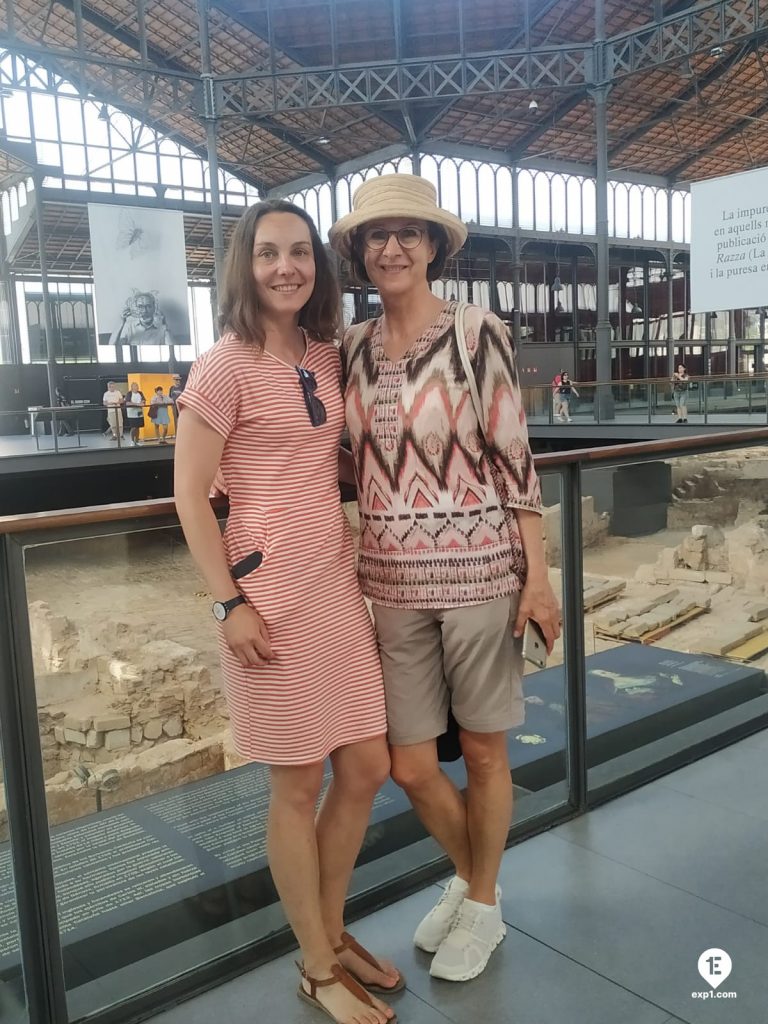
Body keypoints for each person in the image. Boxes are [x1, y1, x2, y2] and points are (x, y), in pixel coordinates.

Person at [329, 175, 561, 983]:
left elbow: (516, 459)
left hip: (479, 574)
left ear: (431, 245)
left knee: (488, 755)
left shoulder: (474, 331)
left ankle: (483, 899)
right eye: (375, 235)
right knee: (413, 766)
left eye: (407, 233)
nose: (391, 247)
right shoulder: (350, 349)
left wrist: (539, 578)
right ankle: (474, 880)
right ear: (359, 252)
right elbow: (339, 458)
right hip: (389, 585)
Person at [174, 199, 400, 1024]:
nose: (285, 267)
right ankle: (314, 962)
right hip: (265, 595)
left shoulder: (324, 355)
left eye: (299, 253)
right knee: (297, 783)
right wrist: (227, 602)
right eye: (268, 253)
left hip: (334, 584)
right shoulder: (222, 365)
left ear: (317, 266)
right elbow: (191, 497)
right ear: (245, 264)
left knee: (368, 766)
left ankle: (330, 931)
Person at [125, 382, 146, 446]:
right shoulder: (129, 393)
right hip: (131, 413)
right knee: (133, 427)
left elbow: (143, 400)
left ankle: (137, 441)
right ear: (132, 387)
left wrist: (142, 402)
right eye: (135, 386)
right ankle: (132, 441)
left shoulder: (140, 393)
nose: (136, 387)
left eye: (137, 386)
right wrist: (137, 404)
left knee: (138, 427)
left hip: (139, 413)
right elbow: (128, 403)